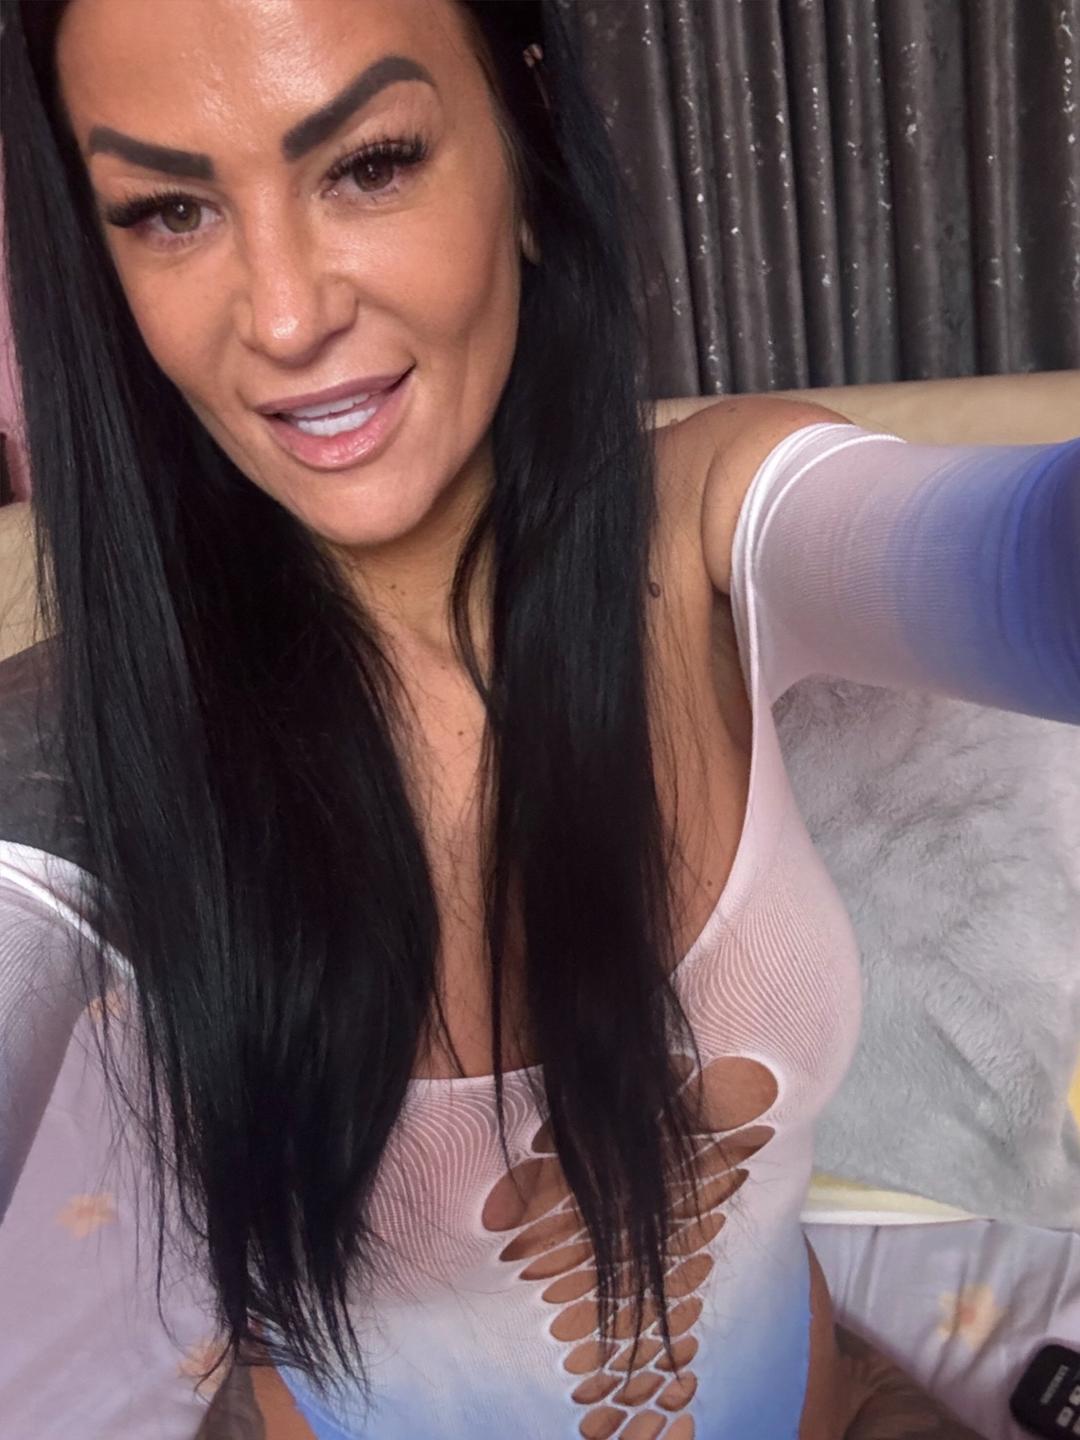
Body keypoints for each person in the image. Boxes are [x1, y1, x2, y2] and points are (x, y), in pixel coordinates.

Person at [0, 1, 1075, 1436]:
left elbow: (1022, 562)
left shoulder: (708, 530)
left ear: (526, 138)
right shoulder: (75, 753)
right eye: (170, 211)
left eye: (371, 163)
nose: (285, 316)